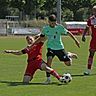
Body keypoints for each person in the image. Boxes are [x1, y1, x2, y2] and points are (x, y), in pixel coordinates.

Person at [29, 14, 80, 84]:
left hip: (59, 48)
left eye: (54, 23)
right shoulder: (45, 29)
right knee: (49, 63)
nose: (53, 24)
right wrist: (32, 45)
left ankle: (69, 55)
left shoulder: (59, 27)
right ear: (49, 22)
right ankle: (48, 79)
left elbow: (68, 33)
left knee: (68, 64)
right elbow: (40, 38)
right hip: (50, 48)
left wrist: (76, 40)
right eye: (52, 23)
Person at [82, 5, 96, 75]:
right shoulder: (91, 19)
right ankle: (88, 70)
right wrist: (83, 35)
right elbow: (87, 27)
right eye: (94, 11)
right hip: (94, 40)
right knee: (91, 54)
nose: (95, 12)